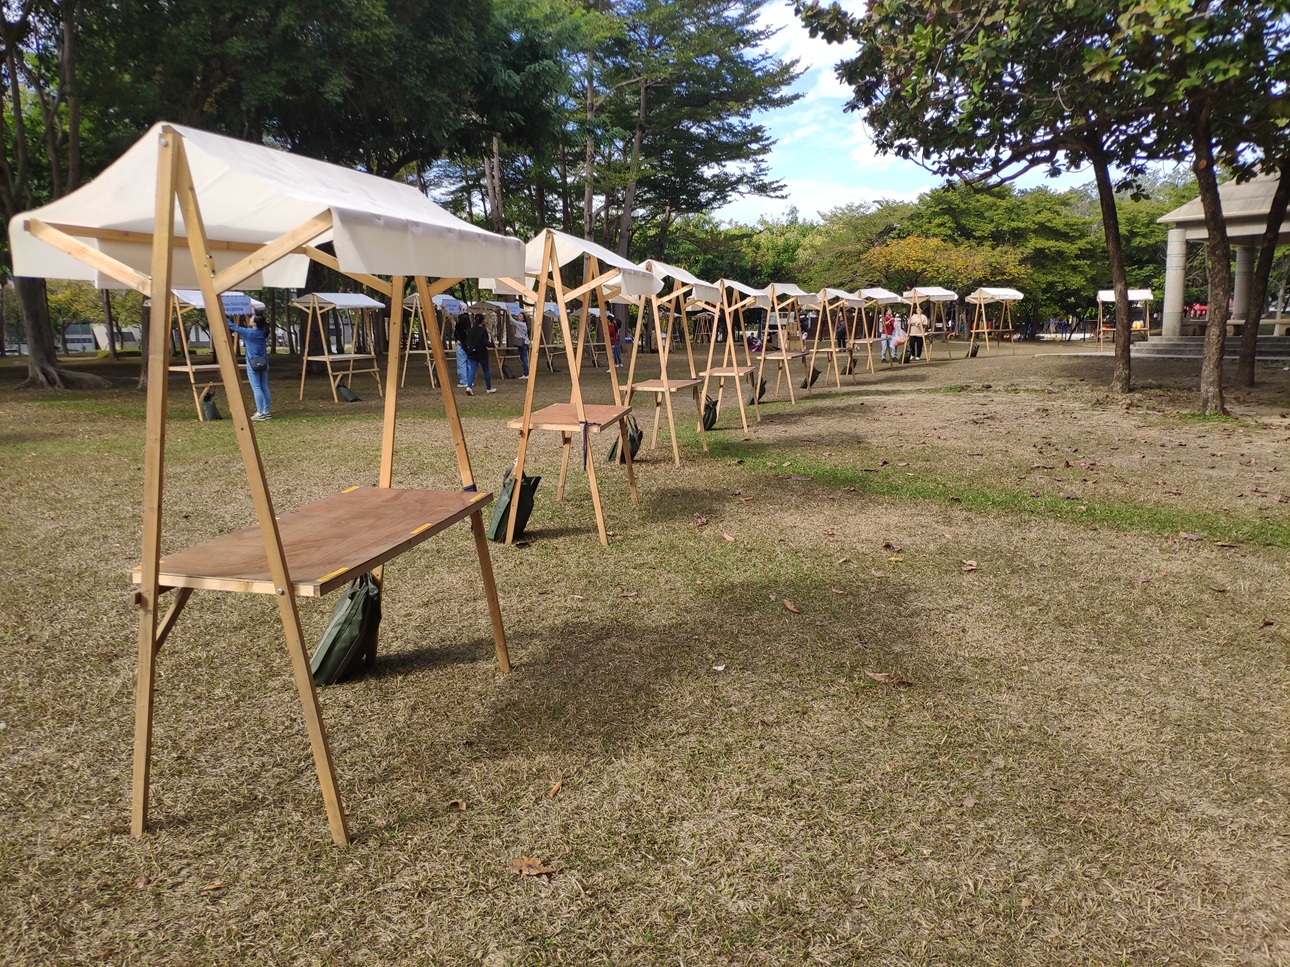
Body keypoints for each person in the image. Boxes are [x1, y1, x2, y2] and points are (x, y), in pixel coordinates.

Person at [228, 313, 271, 420]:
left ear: (255, 323)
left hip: (252, 363)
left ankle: (260, 413)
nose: (250, 319)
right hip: (264, 362)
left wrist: (222, 315)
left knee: (256, 388)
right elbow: (257, 320)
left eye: (252, 318)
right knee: (264, 387)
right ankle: (266, 411)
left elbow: (233, 326)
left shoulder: (249, 333)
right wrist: (252, 311)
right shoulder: (262, 332)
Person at [463, 313, 496, 395]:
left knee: (473, 370)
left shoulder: (471, 331)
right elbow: (485, 342)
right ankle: (488, 388)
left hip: (472, 353)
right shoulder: (482, 331)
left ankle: (469, 387)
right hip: (481, 352)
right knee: (486, 370)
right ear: (483, 321)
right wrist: (492, 345)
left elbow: (467, 341)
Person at [453, 312, 471, 388]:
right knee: (468, 364)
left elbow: (451, 319)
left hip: (461, 346)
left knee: (461, 364)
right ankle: (470, 380)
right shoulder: (469, 327)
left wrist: (445, 310)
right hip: (468, 347)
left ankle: (464, 381)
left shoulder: (459, 327)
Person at [512, 313, 531, 379]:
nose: (518, 316)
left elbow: (511, 320)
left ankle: (527, 374)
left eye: (520, 316)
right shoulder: (521, 324)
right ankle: (525, 373)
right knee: (523, 358)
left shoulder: (521, 324)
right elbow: (512, 322)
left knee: (524, 358)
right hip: (524, 343)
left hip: (523, 343)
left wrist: (509, 311)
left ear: (523, 319)